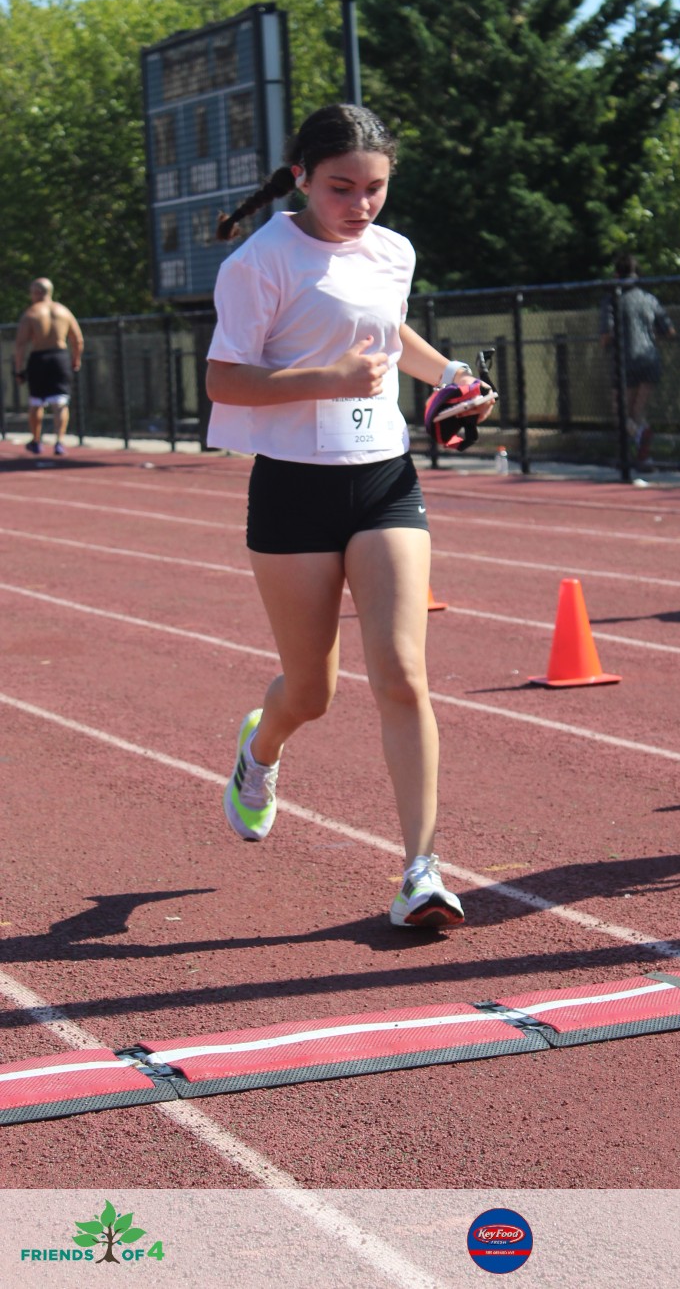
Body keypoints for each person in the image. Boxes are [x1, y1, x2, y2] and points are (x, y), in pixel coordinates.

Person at [205, 103, 495, 930]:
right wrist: (324, 381)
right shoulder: (260, 262)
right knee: (311, 691)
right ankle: (261, 748)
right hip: (294, 489)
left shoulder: (392, 251)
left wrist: (453, 377)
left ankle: (421, 871)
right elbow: (224, 379)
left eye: (375, 189)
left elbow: (386, 329)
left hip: (383, 481)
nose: (361, 205)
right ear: (301, 177)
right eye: (342, 188)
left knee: (402, 672)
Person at [599, 253, 675, 467]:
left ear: (616, 275)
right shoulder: (649, 298)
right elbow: (669, 330)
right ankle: (642, 454)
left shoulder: (612, 299)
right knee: (637, 411)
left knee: (621, 412)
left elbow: (606, 334)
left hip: (625, 360)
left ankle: (639, 438)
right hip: (649, 358)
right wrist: (648, 336)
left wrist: (606, 343)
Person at [13, 277, 84, 456]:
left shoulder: (32, 313)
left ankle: (36, 440)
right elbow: (77, 339)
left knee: (36, 402)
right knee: (60, 402)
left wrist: (18, 369)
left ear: (37, 293)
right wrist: (76, 359)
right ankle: (59, 441)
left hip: (39, 358)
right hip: (60, 357)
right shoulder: (64, 311)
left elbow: (20, 344)